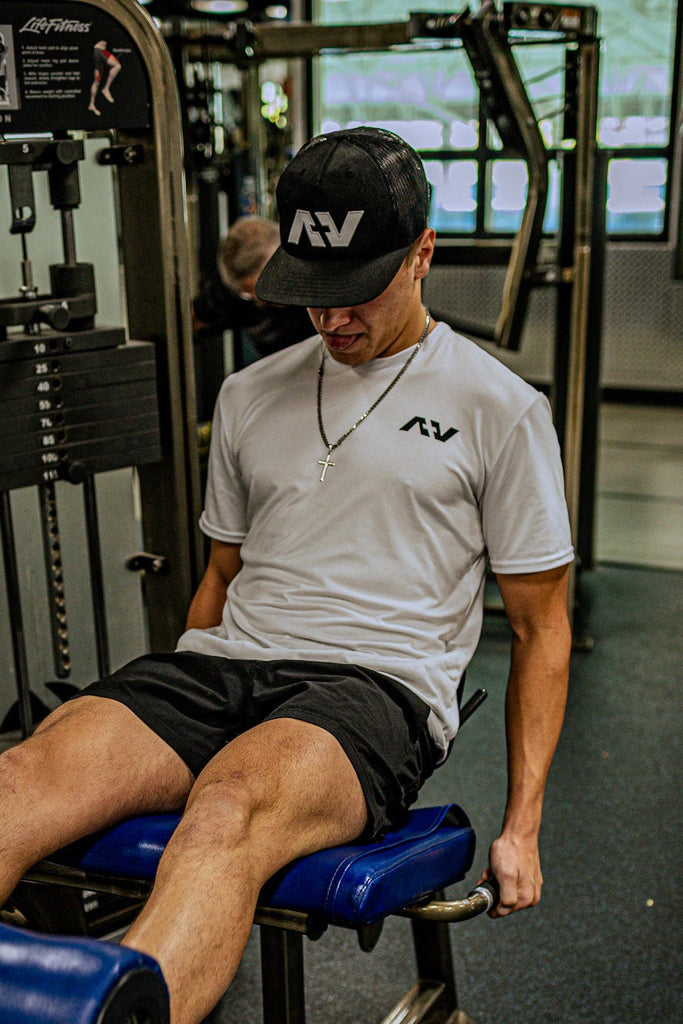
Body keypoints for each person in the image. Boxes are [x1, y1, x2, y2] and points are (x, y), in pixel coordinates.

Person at [0, 127, 573, 1024]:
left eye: (354, 295)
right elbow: (221, 575)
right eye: (312, 296)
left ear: (423, 253)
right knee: (21, 778)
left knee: (227, 806)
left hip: (374, 686)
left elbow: (544, 629)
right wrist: (169, 703)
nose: (332, 320)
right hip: (221, 665)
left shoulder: (499, 408)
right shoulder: (249, 392)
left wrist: (521, 826)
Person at [192, 215, 313, 366]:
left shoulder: (318, 282)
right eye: (249, 295)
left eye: (268, 289)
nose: (261, 302)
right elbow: (188, 324)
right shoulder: (227, 293)